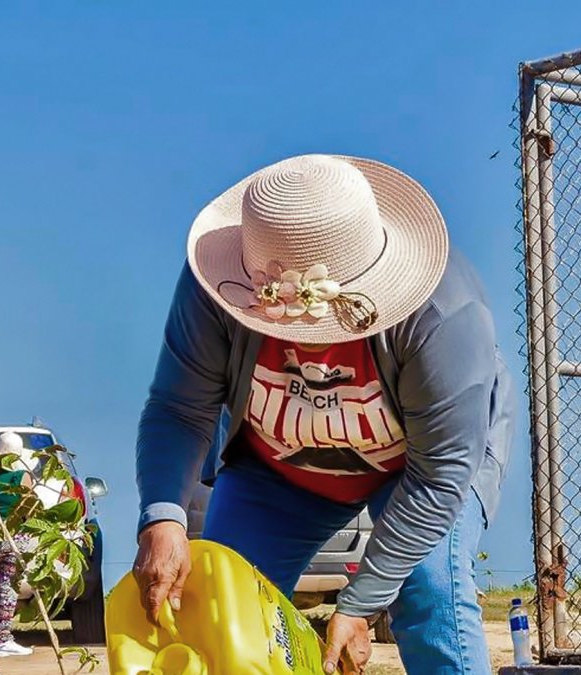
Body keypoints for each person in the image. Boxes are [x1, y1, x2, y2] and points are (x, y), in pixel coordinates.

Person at [132, 154, 516, 674]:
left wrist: (359, 605)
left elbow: (442, 472)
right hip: (276, 470)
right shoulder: (212, 292)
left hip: (415, 469)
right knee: (224, 608)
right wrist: (162, 516)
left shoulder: (444, 312)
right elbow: (179, 409)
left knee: (430, 590)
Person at [0, 432, 36, 658]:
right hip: (13, 535)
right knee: (8, 586)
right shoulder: (20, 476)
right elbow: (29, 506)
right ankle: (4, 638)